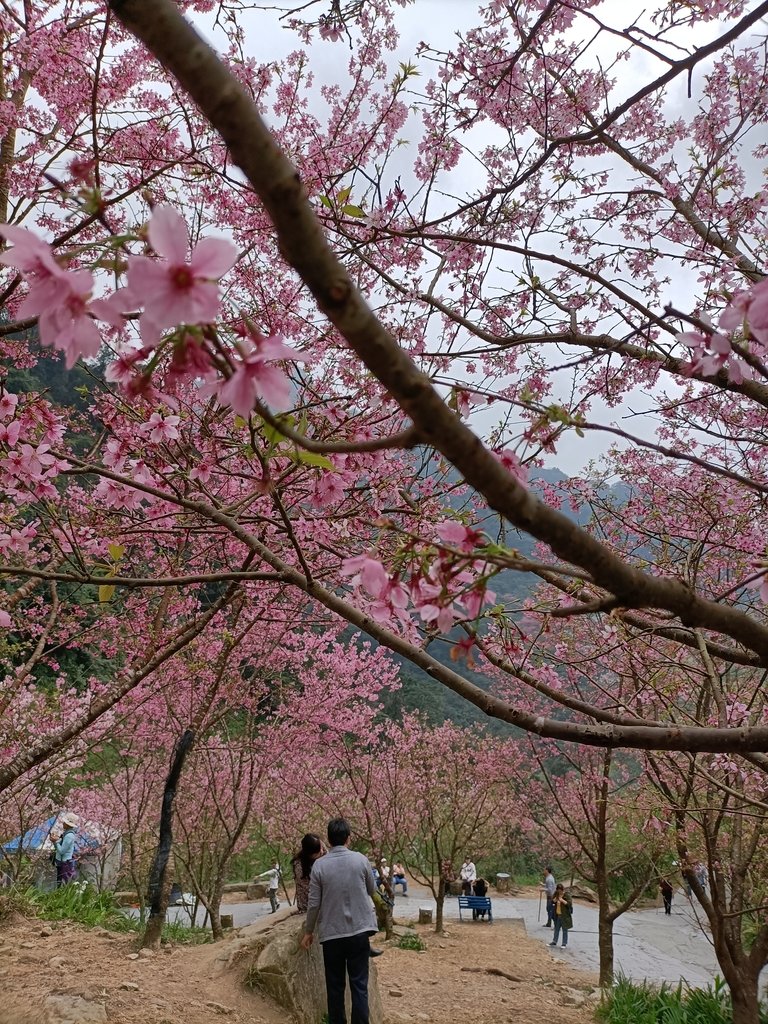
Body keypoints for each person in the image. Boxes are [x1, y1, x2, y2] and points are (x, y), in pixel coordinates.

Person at [301, 818, 378, 1024]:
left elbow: (313, 903)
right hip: (360, 931)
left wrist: (308, 931)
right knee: (359, 986)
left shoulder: (319, 866)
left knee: (335, 988)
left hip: (332, 935)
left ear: (328, 839)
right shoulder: (361, 859)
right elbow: (372, 889)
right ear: (348, 838)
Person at [292, 833, 325, 913]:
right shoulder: (299, 866)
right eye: (319, 851)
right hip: (309, 906)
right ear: (310, 854)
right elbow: (311, 891)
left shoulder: (322, 853)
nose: (322, 851)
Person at [50, 812, 79, 887]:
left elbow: (62, 851)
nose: (63, 823)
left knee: (62, 884)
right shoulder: (66, 834)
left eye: (64, 822)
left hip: (65, 863)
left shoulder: (69, 836)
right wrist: (55, 841)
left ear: (68, 824)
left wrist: (55, 842)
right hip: (63, 862)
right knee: (60, 882)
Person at [549, 884, 572, 948]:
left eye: (560, 890)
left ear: (562, 890)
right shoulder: (556, 894)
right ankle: (554, 941)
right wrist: (554, 900)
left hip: (564, 915)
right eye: (558, 890)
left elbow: (569, 904)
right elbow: (552, 902)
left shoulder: (567, 895)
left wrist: (562, 900)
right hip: (557, 915)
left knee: (565, 930)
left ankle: (564, 943)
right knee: (556, 929)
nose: (559, 892)